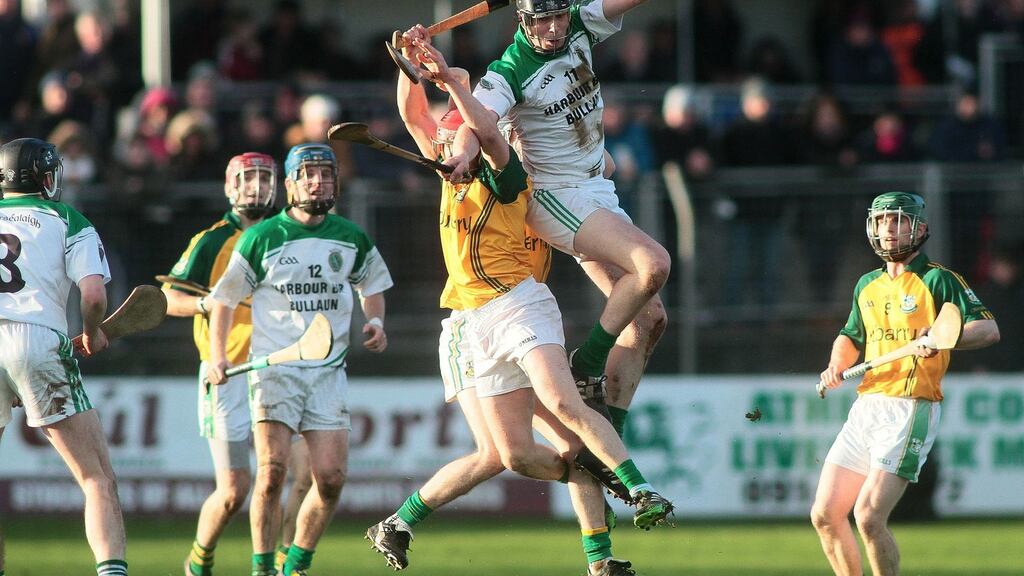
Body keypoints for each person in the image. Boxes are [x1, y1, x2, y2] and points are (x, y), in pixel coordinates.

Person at [365, 35, 669, 576]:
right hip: (467, 319)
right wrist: (411, 67)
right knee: (510, 456)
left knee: (572, 424)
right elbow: (414, 113)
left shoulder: (513, 173)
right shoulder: (450, 151)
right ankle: (402, 521)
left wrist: (455, 87)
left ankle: (603, 551)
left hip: (519, 311)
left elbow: (486, 134)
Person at [468, 0, 669, 469]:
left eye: (560, 16)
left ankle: (606, 448)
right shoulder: (507, 71)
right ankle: (586, 365)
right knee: (653, 264)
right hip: (556, 196)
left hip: (596, 189)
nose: (555, 29)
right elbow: (473, 122)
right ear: (523, 20)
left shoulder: (578, 24)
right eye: (543, 20)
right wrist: (462, 152)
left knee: (649, 319)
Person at [204, 142, 393, 576]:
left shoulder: (350, 236)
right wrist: (217, 357)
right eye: (308, 174)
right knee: (271, 475)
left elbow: (372, 286)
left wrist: (376, 323)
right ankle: (263, 568)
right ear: (289, 184)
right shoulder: (262, 237)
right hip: (276, 371)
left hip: (329, 374)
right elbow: (225, 302)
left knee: (330, 479)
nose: (318, 181)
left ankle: (297, 564)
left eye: (325, 174)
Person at [812, 192, 1000, 576]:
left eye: (898, 221)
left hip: (910, 406)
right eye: (882, 221)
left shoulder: (939, 279)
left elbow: (988, 329)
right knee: (826, 515)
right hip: (867, 405)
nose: (889, 229)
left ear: (920, 229)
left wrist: (944, 338)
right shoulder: (867, 284)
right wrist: (836, 364)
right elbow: (851, 336)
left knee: (866, 516)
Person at [161, 152, 309, 576]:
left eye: (265, 178)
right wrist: (208, 303)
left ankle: (284, 565)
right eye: (247, 179)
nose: (256, 187)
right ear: (229, 187)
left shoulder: (290, 233)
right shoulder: (211, 240)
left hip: (279, 370)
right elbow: (169, 298)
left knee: (297, 475)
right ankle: (199, 559)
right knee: (234, 491)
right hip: (225, 372)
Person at [0, 137, 128, 576]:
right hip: (37, 338)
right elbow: (93, 294)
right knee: (97, 478)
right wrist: (91, 332)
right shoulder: (68, 219)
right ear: (45, 176)